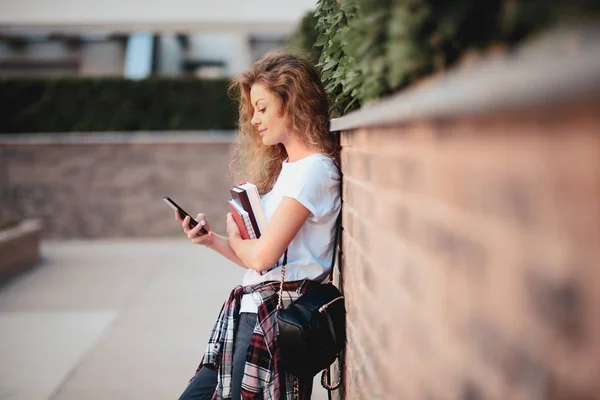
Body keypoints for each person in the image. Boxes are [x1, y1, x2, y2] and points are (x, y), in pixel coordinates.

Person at [176, 50, 341, 400]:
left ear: (292, 102)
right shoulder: (291, 170)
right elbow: (262, 263)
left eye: (262, 108)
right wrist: (214, 241)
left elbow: (263, 258)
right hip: (250, 311)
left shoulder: (314, 171)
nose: (254, 120)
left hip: (273, 318)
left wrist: (235, 238)